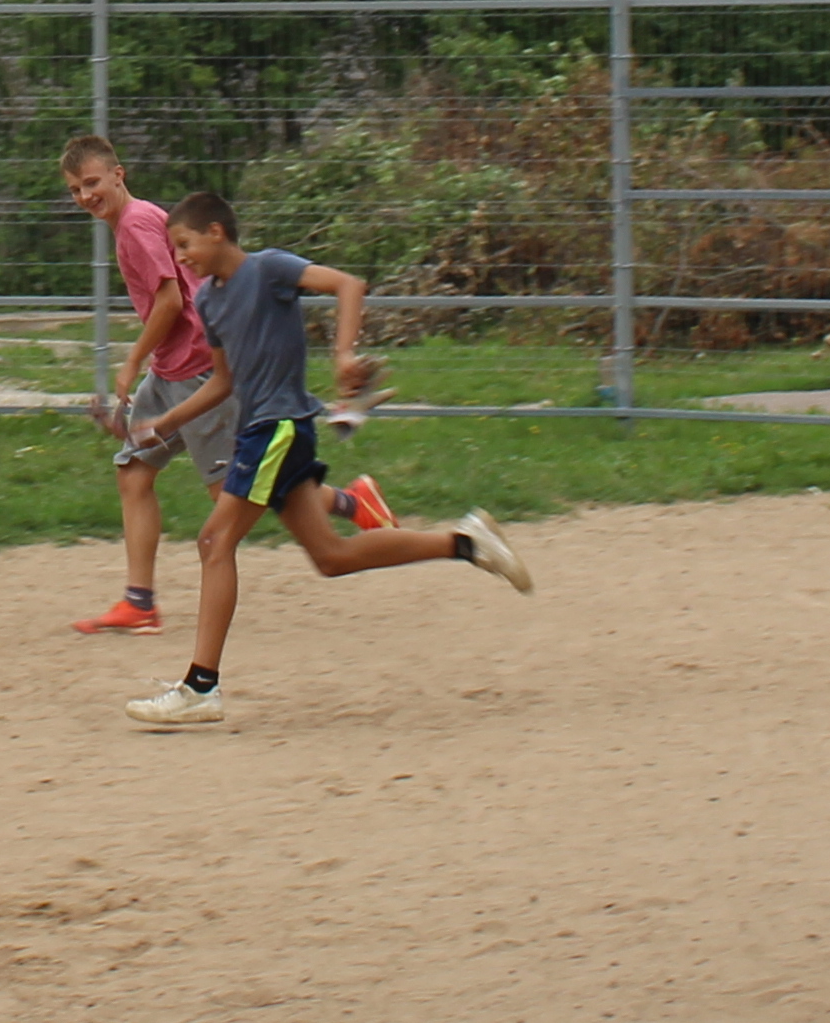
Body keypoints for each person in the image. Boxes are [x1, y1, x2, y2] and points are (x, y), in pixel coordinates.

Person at [117, 191, 529, 729]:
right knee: (332, 556)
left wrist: (343, 355)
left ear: (217, 232)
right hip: (258, 431)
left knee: (215, 541)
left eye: (185, 244)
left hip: (281, 426)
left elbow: (346, 285)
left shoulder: (269, 269)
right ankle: (469, 542)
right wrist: (165, 423)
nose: (182, 256)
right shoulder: (210, 304)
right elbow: (223, 381)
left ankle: (201, 687)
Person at [65, 134, 206, 636]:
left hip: (196, 370)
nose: (84, 197)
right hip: (172, 369)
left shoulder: (137, 224)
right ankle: (139, 603)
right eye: (76, 190)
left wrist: (130, 363)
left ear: (118, 175)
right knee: (133, 471)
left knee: (239, 493)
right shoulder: (131, 223)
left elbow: (170, 302)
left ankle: (348, 503)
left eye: (92, 183)